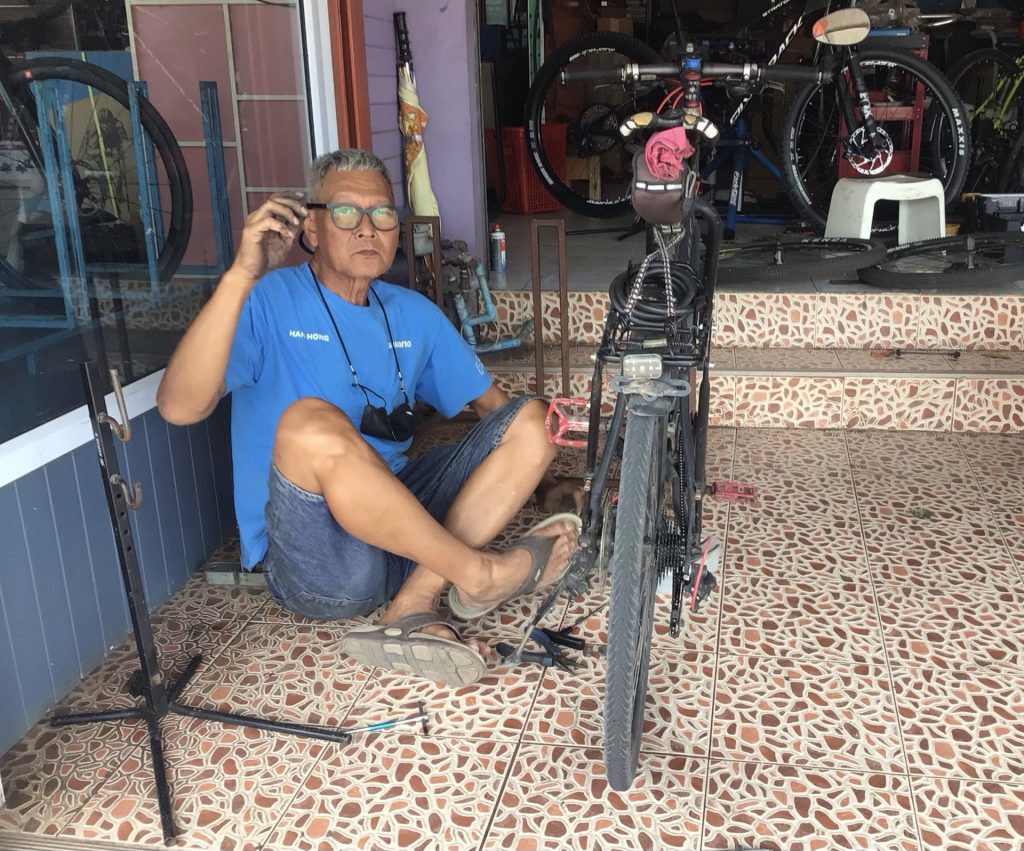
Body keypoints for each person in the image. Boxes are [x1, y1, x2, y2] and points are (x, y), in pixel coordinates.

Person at [157, 149, 579, 685]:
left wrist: (547, 485)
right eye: (345, 212)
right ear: (311, 228)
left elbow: (499, 412)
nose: (366, 228)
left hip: (403, 530)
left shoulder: (413, 314)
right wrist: (241, 275)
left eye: (381, 214)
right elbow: (179, 406)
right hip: (322, 563)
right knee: (309, 421)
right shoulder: (265, 301)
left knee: (534, 418)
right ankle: (479, 574)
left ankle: (416, 599)